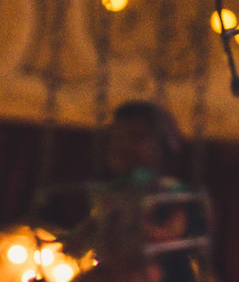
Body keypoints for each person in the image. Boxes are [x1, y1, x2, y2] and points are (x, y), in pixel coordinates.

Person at [65, 101, 209, 282]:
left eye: (137, 138)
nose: (124, 146)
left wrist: (156, 233)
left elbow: (178, 221)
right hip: (112, 263)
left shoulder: (165, 190)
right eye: (118, 138)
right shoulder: (111, 191)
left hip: (149, 264)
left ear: (163, 145)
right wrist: (81, 236)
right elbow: (98, 220)